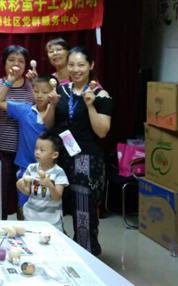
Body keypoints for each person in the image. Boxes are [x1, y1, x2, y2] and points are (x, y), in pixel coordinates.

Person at [51, 46, 112, 256]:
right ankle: (59, 251)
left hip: (86, 159)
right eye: (71, 65)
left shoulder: (100, 94)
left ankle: (86, 252)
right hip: (60, 156)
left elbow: (102, 131)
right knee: (56, 204)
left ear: (91, 65)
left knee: (83, 208)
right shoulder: (61, 91)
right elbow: (50, 124)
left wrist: (90, 106)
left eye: (81, 65)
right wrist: (51, 105)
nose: (76, 69)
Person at [0, 75, 59, 212]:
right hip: (25, 166)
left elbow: (49, 124)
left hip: (48, 169)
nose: (39, 95)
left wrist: (53, 105)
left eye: (45, 92)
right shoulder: (24, 110)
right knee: (23, 204)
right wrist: (9, 81)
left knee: (45, 205)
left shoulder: (58, 113)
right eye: (36, 91)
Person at [0, 45, 35, 219]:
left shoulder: (31, 86)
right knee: (1, 199)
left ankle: (25, 233)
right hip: (3, 150)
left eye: (21, 61)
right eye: (12, 60)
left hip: (27, 153)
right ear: (4, 62)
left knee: (26, 200)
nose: (16, 64)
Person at [16, 131, 69, 233]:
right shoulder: (31, 168)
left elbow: (57, 197)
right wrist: (19, 184)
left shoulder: (59, 172)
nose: (37, 152)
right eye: (36, 148)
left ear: (54, 155)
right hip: (31, 217)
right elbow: (28, 191)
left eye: (42, 150)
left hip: (52, 221)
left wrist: (49, 185)